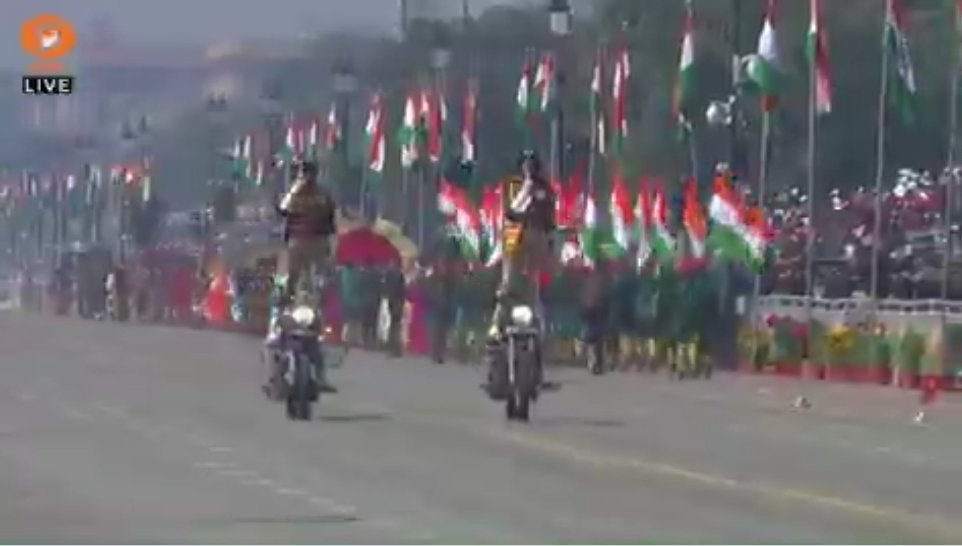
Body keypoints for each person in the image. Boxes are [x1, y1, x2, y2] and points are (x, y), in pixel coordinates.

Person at [265, 158, 338, 392]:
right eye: (302, 173)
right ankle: (275, 373)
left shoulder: (319, 196)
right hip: (298, 249)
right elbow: (283, 211)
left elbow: (330, 223)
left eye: (307, 173)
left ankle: (320, 374)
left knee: (319, 309)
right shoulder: (297, 194)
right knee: (281, 304)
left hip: (314, 250)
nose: (305, 177)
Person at [488, 150, 556, 338]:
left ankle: (535, 324)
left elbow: (549, 219)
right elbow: (508, 213)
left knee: (532, 284)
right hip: (513, 236)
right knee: (508, 284)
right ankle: (498, 324)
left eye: (531, 164)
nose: (528, 168)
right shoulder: (512, 186)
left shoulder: (545, 189)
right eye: (525, 164)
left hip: (536, 235)